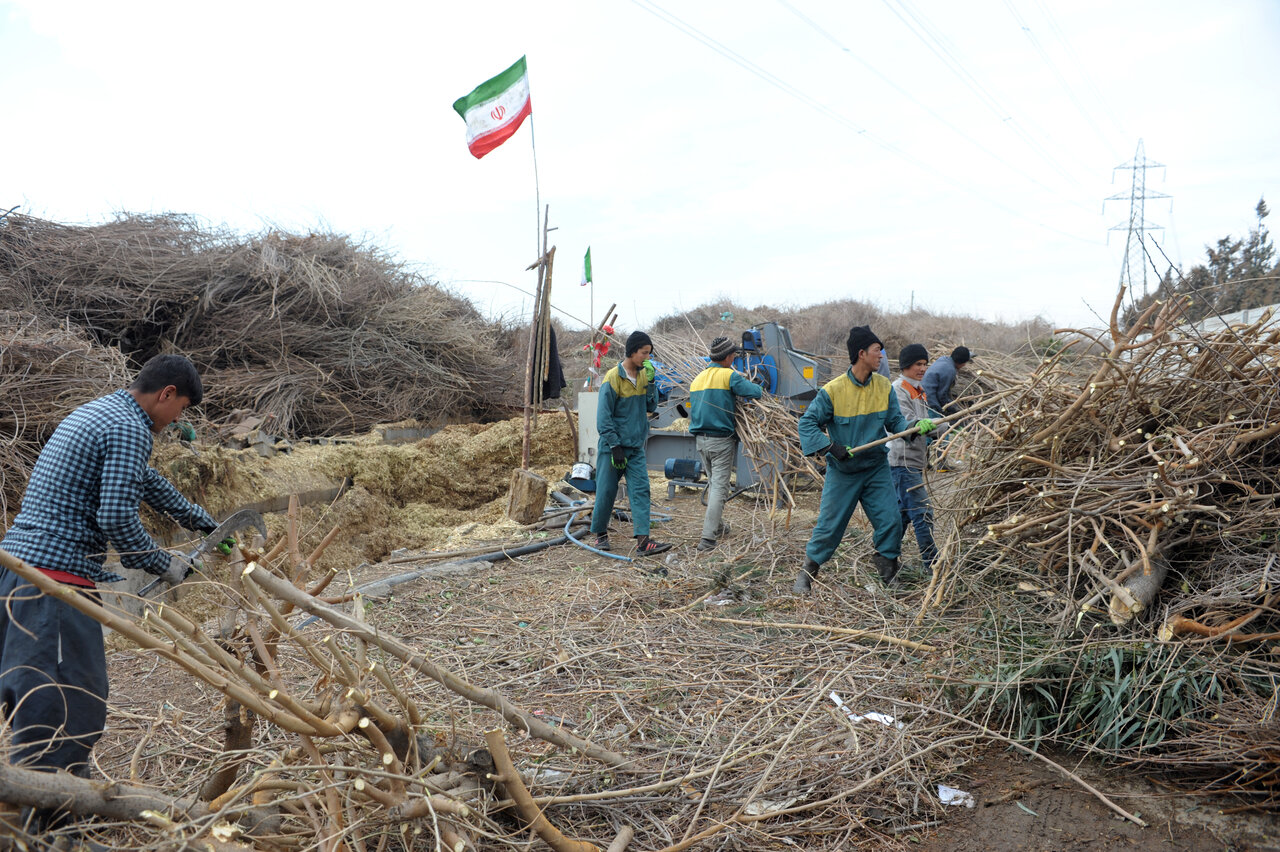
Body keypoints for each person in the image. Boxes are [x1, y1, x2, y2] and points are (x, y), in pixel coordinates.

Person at [0, 354, 219, 784]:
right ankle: (52, 815)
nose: (178, 420)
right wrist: (163, 563)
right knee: (66, 707)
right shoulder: (129, 428)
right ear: (167, 394)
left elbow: (145, 482)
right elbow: (117, 516)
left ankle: (53, 803)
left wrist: (199, 519)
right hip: (51, 586)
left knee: (41, 701)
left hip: (20, 573)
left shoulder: (103, 412)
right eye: (182, 409)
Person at [792, 327, 935, 594]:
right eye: (877, 350)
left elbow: (896, 422)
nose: (881, 356)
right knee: (829, 526)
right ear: (861, 353)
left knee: (891, 520)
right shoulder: (833, 390)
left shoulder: (883, 386)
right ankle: (807, 573)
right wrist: (831, 447)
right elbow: (807, 423)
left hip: (876, 469)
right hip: (843, 471)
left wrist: (914, 426)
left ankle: (888, 569)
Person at [591, 331, 672, 556]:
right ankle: (600, 535)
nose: (647, 358)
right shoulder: (613, 378)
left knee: (641, 491)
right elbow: (603, 418)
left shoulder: (644, 376)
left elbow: (651, 407)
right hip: (612, 448)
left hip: (635, 447)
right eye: (644, 353)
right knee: (606, 491)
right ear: (632, 351)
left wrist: (652, 382)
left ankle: (643, 542)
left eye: (649, 354)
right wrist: (615, 446)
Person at [688, 336, 763, 551]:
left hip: (701, 441)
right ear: (728, 356)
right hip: (721, 441)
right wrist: (755, 384)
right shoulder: (728, 376)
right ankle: (707, 539)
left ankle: (718, 527)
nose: (734, 359)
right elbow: (755, 392)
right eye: (733, 355)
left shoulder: (697, 378)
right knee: (719, 489)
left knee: (714, 485)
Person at [888, 344, 949, 576]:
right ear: (906, 365)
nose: (923, 369)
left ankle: (887, 557)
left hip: (914, 460)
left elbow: (925, 423)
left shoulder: (918, 389)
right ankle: (932, 564)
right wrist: (935, 426)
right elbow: (907, 423)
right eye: (918, 364)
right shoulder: (898, 389)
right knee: (923, 513)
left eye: (925, 364)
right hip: (901, 461)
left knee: (903, 514)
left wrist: (941, 426)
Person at [921, 345, 972, 417]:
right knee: (940, 420)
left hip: (922, 391)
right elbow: (942, 395)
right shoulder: (950, 370)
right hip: (928, 399)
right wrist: (953, 408)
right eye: (965, 363)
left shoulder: (943, 359)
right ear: (962, 363)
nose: (964, 365)